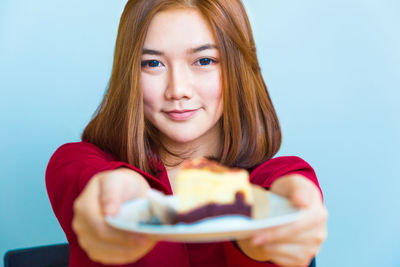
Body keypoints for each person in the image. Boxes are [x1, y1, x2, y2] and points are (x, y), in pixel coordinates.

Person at [46, 0, 328, 266]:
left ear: (238, 70)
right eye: (153, 63)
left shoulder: (281, 177)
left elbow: (277, 197)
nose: (178, 89)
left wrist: (268, 234)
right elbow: (93, 183)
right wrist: (122, 198)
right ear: (129, 74)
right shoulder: (75, 164)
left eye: (204, 61)